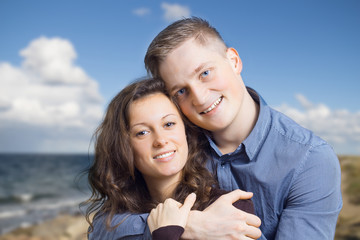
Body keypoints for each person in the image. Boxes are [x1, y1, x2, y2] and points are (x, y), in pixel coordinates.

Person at [91, 17, 342, 239]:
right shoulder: (175, 141)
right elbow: (104, 225)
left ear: (233, 61)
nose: (199, 97)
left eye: (205, 73)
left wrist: (178, 227)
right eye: (181, 90)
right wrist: (186, 227)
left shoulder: (310, 160)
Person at [85, 78, 256, 240]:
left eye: (168, 124)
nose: (160, 140)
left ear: (186, 132)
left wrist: (168, 232)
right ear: (124, 147)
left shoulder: (231, 209)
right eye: (142, 132)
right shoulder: (110, 220)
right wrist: (184, 227)